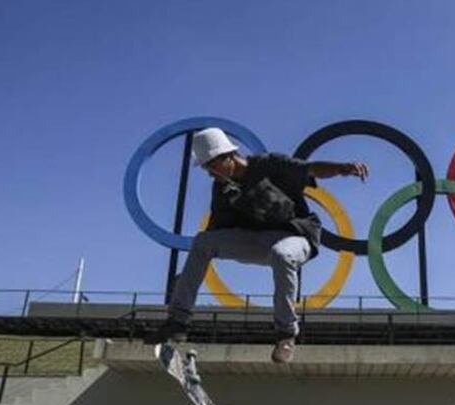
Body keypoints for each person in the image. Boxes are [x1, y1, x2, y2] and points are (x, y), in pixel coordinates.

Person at [150, 127, 369, 363]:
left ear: (228, 156)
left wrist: (342, 168)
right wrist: (188, 274)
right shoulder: (222, 189)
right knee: (203, 242)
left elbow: (311, 168)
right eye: (206, 169)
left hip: (296, 237)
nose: (211, 174)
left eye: (211, 166)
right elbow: (215, 232)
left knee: (282, 254)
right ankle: (177, 322)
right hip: (255, 241)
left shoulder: (268, 164)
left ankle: (286, 334)